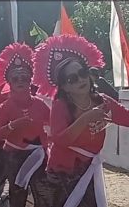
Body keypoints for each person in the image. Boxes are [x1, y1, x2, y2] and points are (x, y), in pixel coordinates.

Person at [33, 35, 129, 206]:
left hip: (89, 169)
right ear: (64, 87)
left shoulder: (103, 101)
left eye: (82, 73)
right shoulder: (60, 106)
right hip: (62, 174)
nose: (80, 80)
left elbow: (126, 117)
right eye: (72, 79)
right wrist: (86, 118)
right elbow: (60, 140)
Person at [0, 43, 50, 207]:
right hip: (14, 157)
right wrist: (12, 126)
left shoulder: (40, 104)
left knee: (43, 194)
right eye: (15, 78)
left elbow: (55, 124)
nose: (20, 81)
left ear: (30, 80)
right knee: (17, 194)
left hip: (39, 156)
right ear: (9, 81)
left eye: (24, 77)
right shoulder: (4, 107)